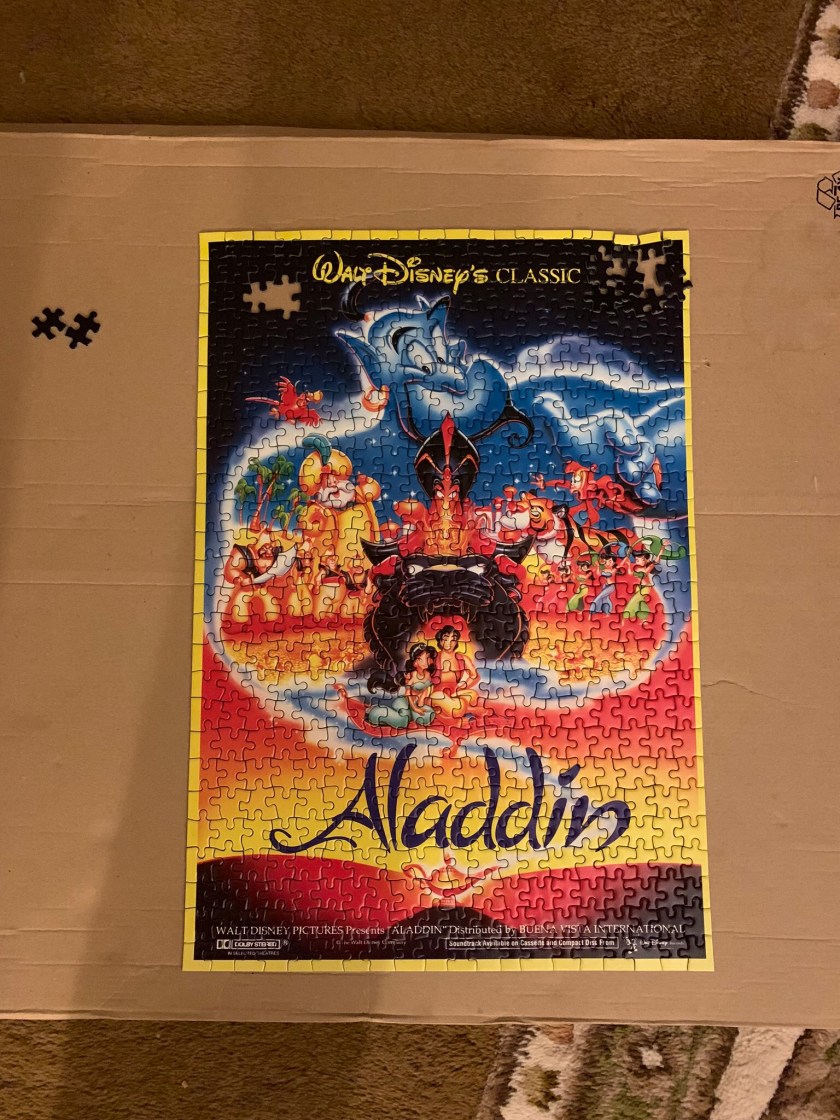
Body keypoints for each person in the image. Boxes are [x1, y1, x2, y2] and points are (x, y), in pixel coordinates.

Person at [431, 626, 479, 717]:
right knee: (442, 699)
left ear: (456, 642)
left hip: (454, 693)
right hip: (437, 694)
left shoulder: (461, 658)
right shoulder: (433, 657)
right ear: (440, 641)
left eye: (453, 640)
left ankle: (451, 708)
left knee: (473, 695)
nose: (449, 643)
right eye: (446, 639)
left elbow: (474, 676)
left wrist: (463, 686)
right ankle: (468, 710)